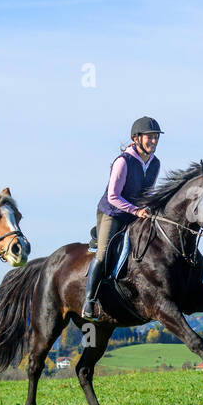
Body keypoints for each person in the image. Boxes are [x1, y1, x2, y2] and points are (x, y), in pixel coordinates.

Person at [82, 116, 163, 320]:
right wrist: (136, 211)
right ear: (136, 138)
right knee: (103, 253)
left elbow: (149, 193)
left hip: (135, 211)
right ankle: (89, 301)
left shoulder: (155, 163)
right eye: (149, 137)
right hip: (113, 212)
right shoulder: (123, 162)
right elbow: (113, 196)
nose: (153, 141)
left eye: (156, 137)